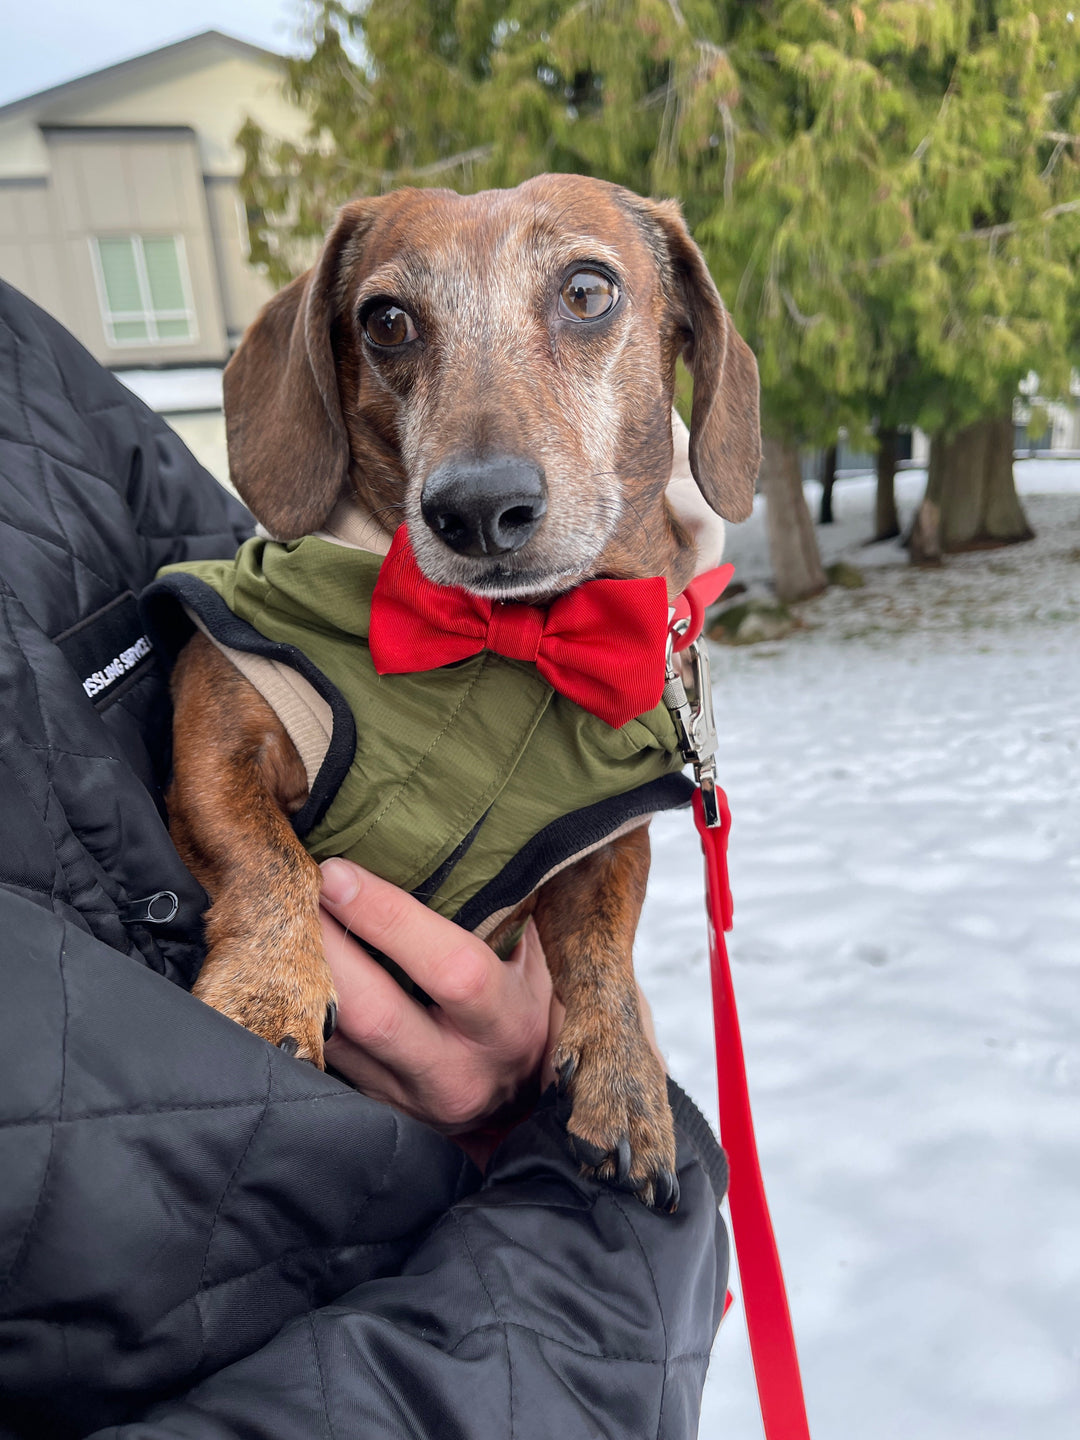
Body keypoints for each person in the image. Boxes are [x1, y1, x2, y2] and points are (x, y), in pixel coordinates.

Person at [0, 279, 730, 1440]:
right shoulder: (294, 604)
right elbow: (230, 679)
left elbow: (595, 833)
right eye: (393, 324)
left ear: (685, 347)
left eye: (586, 300)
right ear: (340, 362)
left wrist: (572, 1038)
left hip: (503, 1240)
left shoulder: (31, 375)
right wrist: (265, 906)